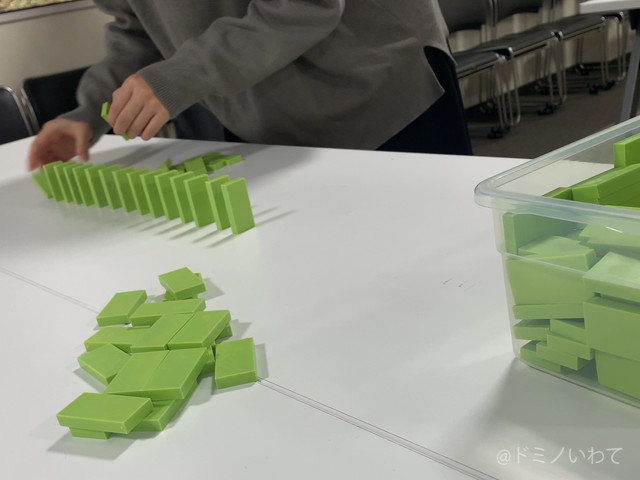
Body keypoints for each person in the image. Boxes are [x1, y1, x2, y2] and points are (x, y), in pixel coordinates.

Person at [28, 0, 472, 170]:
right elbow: (139, 30)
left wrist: (180, 78)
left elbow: (306, 6)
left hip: (381, 85)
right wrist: (90, 113)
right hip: (261, 111)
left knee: (443, 268)